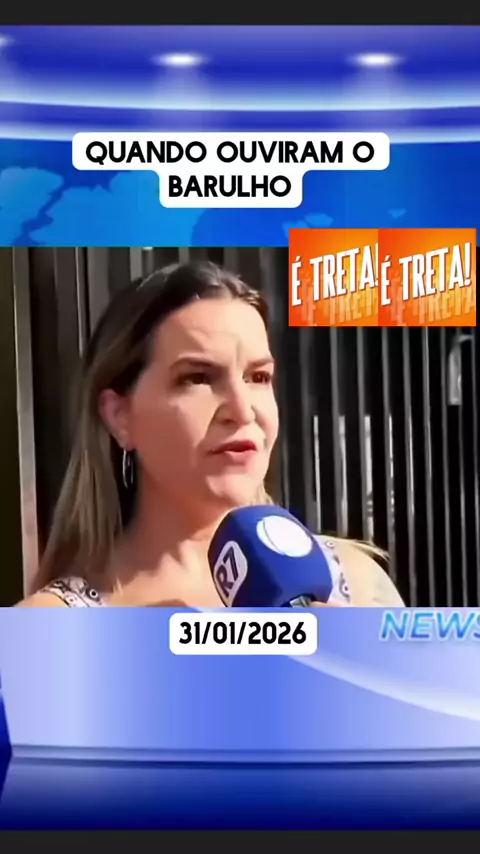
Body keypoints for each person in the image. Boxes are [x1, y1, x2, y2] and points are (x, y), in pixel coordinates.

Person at [17, 261, 404, 609]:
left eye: (258, 377)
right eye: (198, 378)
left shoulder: (356, 584)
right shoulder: (52, 624)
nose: (242, 410)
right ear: (120, 415)